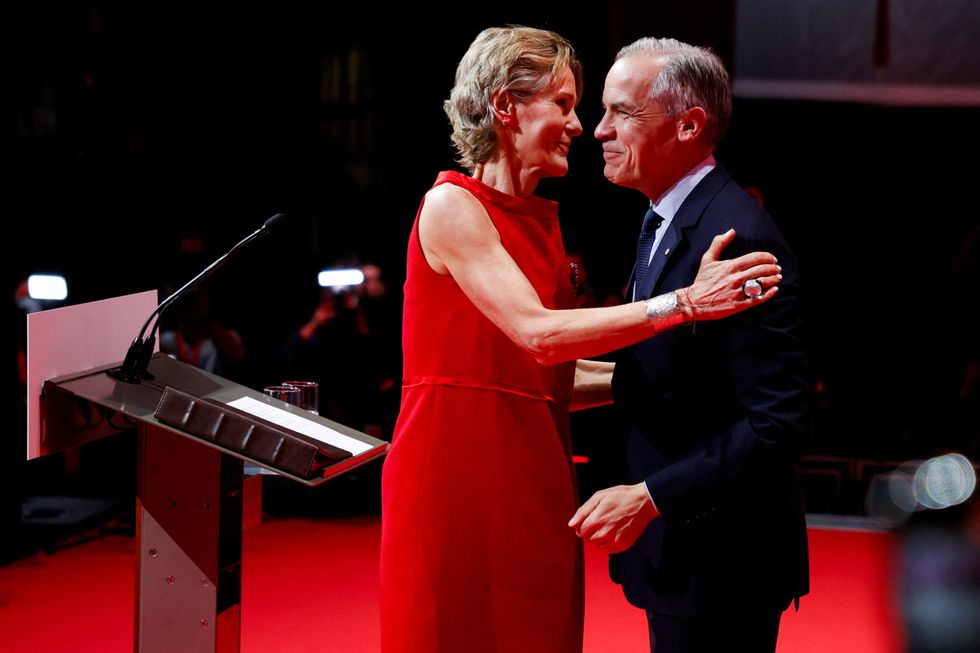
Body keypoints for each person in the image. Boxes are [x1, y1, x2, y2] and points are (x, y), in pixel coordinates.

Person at [379, 26, 782, 653]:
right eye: (563, 104)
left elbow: (552, 374)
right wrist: (683, 304)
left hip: (535, 475)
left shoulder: (543, 223)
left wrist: (681, 381)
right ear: (506, 106)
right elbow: (540, 337)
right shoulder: (452, 205)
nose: (580, 126)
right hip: (454, 477)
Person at [568, 37, 812, 652]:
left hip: (724, 561)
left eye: (622, 112)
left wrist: (652, 497)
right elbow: (676, 376)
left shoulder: (737, 240)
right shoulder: (666, 214)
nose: (599, 130)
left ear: (688, 125)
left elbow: (778, 421)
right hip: (684, 556)